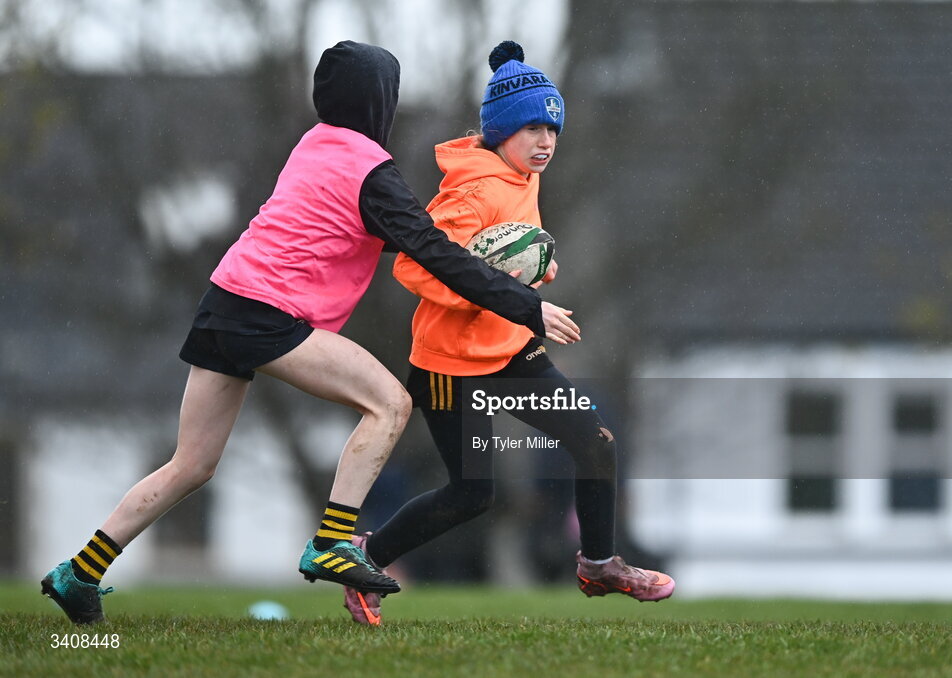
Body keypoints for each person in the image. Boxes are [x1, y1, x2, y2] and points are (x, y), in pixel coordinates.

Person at [40, 40, 581, 626]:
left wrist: (495, 258)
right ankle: (332, 539)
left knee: (191, 464)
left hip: (223, 304)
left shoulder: (314, 145)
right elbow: (431, 251)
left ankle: (79, 572)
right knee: (391, 403)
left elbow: (378, 236)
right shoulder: (373, 170)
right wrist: (525, 304)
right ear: (381, 102)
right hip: (268, 315)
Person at [341, 41, 674, 626]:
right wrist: (505, 285)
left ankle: (598, 564)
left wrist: (535, 265)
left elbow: (505, 253)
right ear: (500, 133)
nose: (545, 142)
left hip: (511, 351)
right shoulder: (472, 190)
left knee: (595, 440)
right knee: (472, 495)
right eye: (531, 129)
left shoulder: (525, 175)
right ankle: (367, 559)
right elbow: (414, 266)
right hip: (449, 366)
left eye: (553, 129)